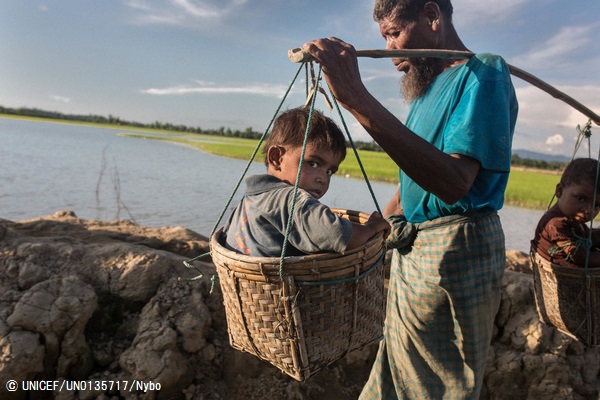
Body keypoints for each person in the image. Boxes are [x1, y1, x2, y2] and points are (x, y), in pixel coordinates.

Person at [303, 0, 518, 398]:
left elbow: (454, 182)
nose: (388, 51)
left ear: (433, 17)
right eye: (383, 37)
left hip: (454, 253)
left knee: (438, 384)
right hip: (415, 253)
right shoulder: (425, 94)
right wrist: (373, 231)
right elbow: (410, 184)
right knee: (396, 376)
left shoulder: (483, 73)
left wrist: (355, 98)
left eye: (394, 34)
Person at [222, 106, 389, 258]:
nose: (323, 178)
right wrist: (371, 228)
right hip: (287, 289)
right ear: (276, 158)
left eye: (330, 171)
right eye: (313, 163)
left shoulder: (250, 199)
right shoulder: (290, 199)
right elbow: (341, 236)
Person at [531, 158, 600, 268]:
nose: (588, 210)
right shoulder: (556, 223)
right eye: (580, 198)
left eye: (596, 205)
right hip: (565, 280)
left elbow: (586, 237)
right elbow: (582, 258)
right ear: (560, 191)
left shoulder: (573, 219)